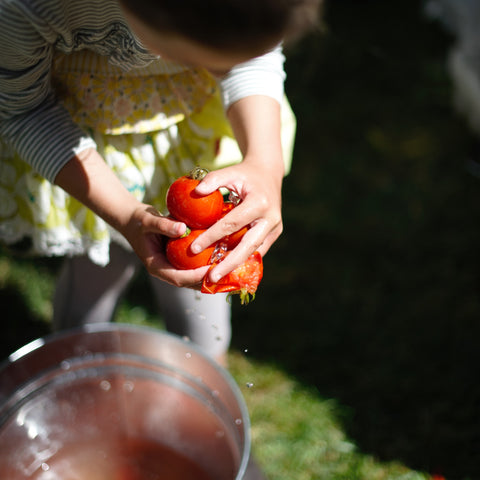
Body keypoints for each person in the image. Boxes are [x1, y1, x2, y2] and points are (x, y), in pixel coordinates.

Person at [0, 0, 320, 368]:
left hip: (188, 140)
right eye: (210, 59)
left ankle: (199, 387)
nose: (220, 70)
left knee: (201, 314)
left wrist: (264, 162)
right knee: (96, 273)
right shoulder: (30, 7)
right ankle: (74, 374)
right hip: (88, 160)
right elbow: (24, 108)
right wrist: (122, 213)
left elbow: (253, 59)